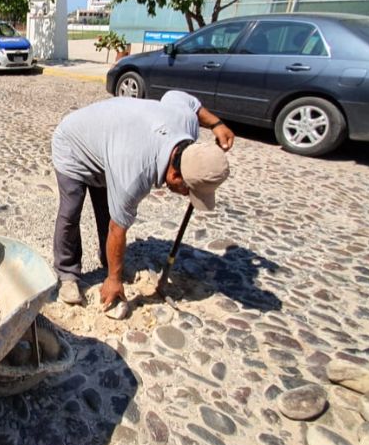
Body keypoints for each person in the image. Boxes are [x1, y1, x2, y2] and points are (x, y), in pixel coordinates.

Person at [50, 90, 235, 308]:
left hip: (110, 143)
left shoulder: (187, 125)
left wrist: (216, 124)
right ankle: (67, 274)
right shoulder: (133, 173)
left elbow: (184, 99)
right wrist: (114, 281)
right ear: (174, 175)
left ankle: (108, 262)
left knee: (108, 210)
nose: (187, 195)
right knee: (71, 212)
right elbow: (117, 229)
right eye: (189, 190)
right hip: (74, 145)